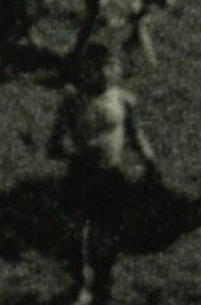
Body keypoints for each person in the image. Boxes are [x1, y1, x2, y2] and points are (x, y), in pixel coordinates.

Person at [48, 38, 163, 305]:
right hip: (79, 175)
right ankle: (79, 285)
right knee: (76, 235)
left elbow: (136, 135)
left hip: (110, 176)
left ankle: (102, 283)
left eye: (107, 67)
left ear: (115, 69)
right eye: (94, 67)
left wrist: (150, 161)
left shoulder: (123, 100)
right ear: (83, 70)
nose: (101, 73)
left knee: (106, 237)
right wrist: (74, 152)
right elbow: (54, 145)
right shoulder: (73, 101)